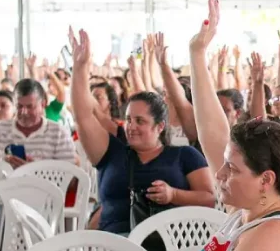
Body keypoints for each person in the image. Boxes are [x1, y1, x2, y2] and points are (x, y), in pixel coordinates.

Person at [189, 0, 280, 251]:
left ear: (266, 179)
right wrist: (197, 54)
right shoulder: (249, 213)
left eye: (232, 169)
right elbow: (212, 133)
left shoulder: (272, 236)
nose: (219, 173)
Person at [70, 29, 215, 235]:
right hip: (114, 242)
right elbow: (82, 118)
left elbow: (209, 198)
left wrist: (174, 194)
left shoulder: (184, 156)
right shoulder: (110, 152)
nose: (131, 126)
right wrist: (80, 67)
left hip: (167, 245)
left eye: (140, 121)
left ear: (160, 126)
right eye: (129, 120)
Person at [0, 79, 76, 169]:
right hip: (3, 185)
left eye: (30, 107)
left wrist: (34, 170)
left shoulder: (58, 133)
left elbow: (69, 176)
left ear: (43, 104)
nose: (24, 112)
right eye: (19, 106)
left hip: (43, 187)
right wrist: (3, 165)